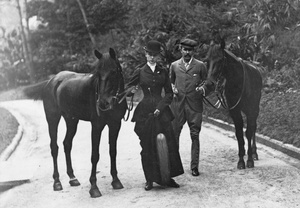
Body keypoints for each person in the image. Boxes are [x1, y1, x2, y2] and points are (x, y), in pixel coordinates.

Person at [125, 40, 184, 191]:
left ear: (158, 56)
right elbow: (129, 87)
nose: (151, 57)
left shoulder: (163, 71)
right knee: (147, 146)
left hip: (162, 112)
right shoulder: (139, 71)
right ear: (145, 54)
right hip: (145, 113)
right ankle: (149, 179)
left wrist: (160, 107)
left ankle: (168, 177)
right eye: (149, 54)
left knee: (169, 143)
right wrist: (130, 91)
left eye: (154, 55)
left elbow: (169, 94)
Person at [169, 38, 207, 177]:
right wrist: (172, 88)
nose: (187, 53)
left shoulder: (200, 65)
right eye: (185, 50)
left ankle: (194, 167)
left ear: (193, 51)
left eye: (190, 50)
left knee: (195, 135)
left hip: (194, 105)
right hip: (178, 105)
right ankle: (175, 166)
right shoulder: (174, 65)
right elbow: (170, 82)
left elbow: (208, 82)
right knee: (175, 134)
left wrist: (202, 88)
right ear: (180, 49)